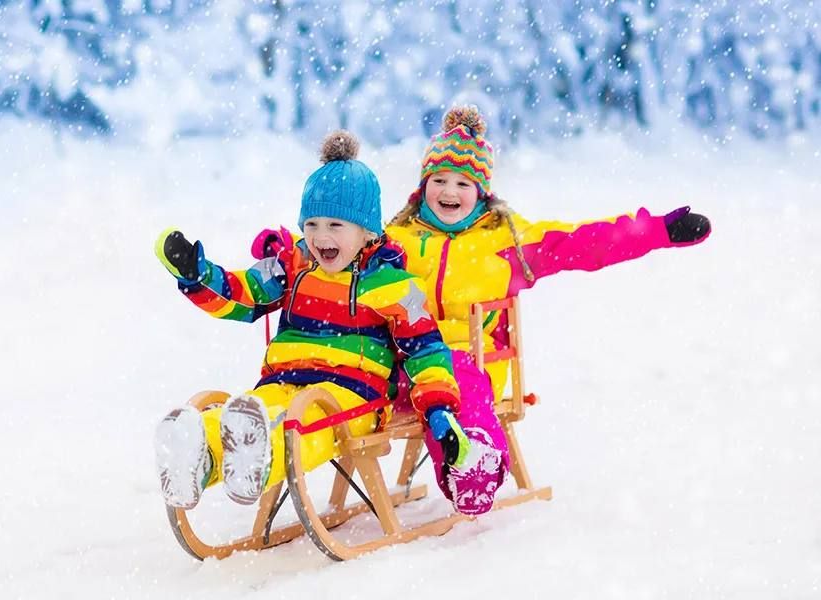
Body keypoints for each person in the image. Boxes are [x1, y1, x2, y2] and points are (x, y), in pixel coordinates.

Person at [253, 105, 712, 516]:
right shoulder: (397, 239)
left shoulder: (505, 243)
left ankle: (472, 463)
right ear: (423, 187)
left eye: (462, 183)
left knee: (458, 380)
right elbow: (336, 243)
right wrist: (281, 247)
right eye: (438, 180)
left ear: (481, 191)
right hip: (394, 362)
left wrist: (658, 231)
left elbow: (583, 243)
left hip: (464, 362)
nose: (448, 191)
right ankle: (266, 443)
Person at [154, 130, 465, 510]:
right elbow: (244, 295)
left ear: (367, 231)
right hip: (283, 379)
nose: (320, 236)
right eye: (312, 224)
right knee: (254, 409)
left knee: (305, 423)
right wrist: (199, 275)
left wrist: (439, 410)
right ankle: (199, 453)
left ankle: (260, 461)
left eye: (335, 226)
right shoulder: (291, 266)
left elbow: (426, 352)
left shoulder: (396, 287)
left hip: (354, 394)